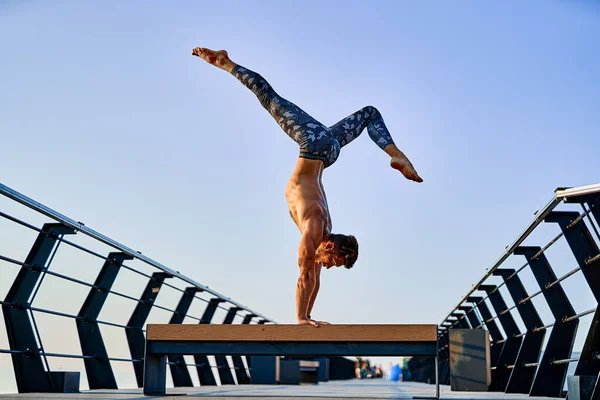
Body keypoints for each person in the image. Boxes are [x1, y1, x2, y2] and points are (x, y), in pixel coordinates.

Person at [192, 48, 423, 326]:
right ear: (329, 245)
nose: (327, 265)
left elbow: (314, 276)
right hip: (315, 144)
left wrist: (308, 316)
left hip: (329, 152)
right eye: (332, 261)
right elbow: (306, 275)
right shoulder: (315, 226)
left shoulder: (322, 233)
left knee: (369, 114)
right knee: (268, 98)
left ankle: (395, 153)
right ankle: (224, 62)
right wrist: (301, 317)